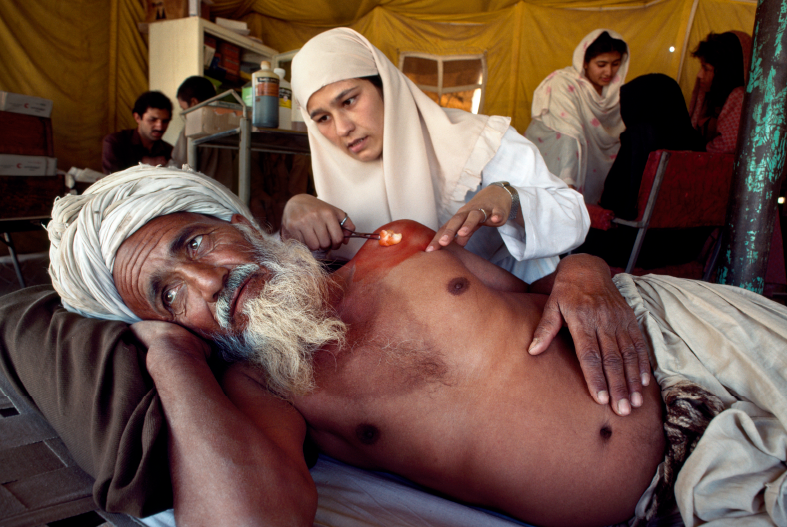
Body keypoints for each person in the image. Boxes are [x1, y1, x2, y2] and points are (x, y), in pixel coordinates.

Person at [29, 165, 786, 526]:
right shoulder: (267, 393)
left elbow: (536, 281)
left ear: (232, 219)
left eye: (195, 240)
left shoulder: (398, 244)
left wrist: (587, 270)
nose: (206, 280)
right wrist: (167, 350)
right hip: (687, 486)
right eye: (169, 292)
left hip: (675, 329)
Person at [283, 28, 589, 284]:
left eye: (349, 100)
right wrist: (295, 218)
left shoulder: (477, 143)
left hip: (508, 314)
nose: (343, 128)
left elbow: (573, 216)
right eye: (322, 118)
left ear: (385, 87)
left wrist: (510, 201)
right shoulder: (334, 184)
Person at [578, 74, 709, 269]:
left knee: (564, 233)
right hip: (685, 249)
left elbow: (613, 202)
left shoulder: (639, 138)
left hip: (636, 249)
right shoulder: (698, 142)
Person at [525, 29, 629, 205]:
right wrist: (568, 184)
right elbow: (569, 132)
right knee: (569, 138)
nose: (609, 72)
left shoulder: (617, 94)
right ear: (585, 62)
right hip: (558, 153)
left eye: (615, 64)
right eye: (601, 64)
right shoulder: (563, 83)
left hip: (595, 166)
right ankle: (566, 203)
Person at [170, 76, 238, 192]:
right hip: (226, 197)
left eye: (183, 108)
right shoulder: (229, 124)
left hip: (201, 197)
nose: (184, 114)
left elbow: (178, 167)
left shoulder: (193, 125)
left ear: (193, 102)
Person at [689, 31, 752, 154]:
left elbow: (728, 145)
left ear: (724, 72)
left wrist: (699, 153)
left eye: (706, 69)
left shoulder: (739, 96)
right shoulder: (710, 97)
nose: (699, 75)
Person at [102, 91, 173, 174]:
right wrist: (145, 165)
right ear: (137, 118)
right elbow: (114, 183)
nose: (160, 127)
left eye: (165, 121)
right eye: (152, 120)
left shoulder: (170, 151)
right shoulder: (115, 142)